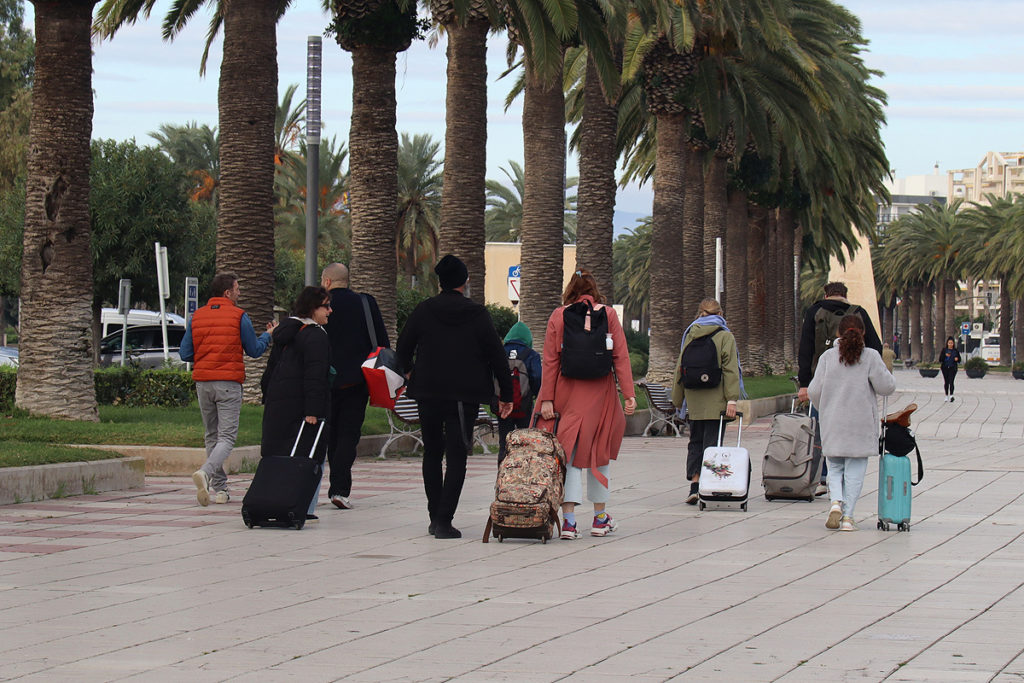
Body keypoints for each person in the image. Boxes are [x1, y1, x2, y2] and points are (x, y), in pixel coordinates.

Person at [396, 254, 514, 539]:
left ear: (440, 282)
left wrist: (410, 373)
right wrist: (506, 396)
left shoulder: (424, 310)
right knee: (457, 455)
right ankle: (444, 520)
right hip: (464, 397)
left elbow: (401, 347)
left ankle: (434, 515)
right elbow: (498, 357)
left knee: (432, 453)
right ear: (465, 281)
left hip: (428, 393)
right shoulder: (477, 314)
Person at [537, 269, 636, 540]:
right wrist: (629, 393)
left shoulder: (559, 315)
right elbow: (620, 356)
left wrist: (547, 398)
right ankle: (600, 518)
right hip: (601, 393)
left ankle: (569, 522)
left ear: (571, 289)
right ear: (595, 290)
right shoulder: (609, 314)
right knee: (598, 454)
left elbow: (550, 360)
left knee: (567, 456)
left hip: (566, 394)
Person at [180, 273, 276, 506]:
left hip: (203, 382)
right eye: (237, 288)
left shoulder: (197, 317)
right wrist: (268, 335)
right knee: (227, 437)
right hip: (228, 383)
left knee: (212, 435)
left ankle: (220, 489)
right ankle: (205, 472)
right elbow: (253, 350)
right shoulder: (238, 316)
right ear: (227, 293)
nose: (240, 292)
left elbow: (185, 353)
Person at [808, 314, 895, 531]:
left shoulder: (827, 357)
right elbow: (887, 387)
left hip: (833, 421)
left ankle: (835, 502)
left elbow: (813, 390)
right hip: (861, 423)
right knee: (855, 470)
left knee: (835, 467)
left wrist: (824, 407)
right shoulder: (871, 356)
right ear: (863, 332)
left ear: (838, 333)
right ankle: (848, 517)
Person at [797, 281, 883, 496]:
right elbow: (876, 347)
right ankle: (845, 482)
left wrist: (804, 383)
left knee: (821, 431)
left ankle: (821, 477)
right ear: (845, 294)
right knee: (852, 433)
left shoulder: (815, 312)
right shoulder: (859, 313)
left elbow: (805, 348)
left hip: (823, 380)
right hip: (857, 386)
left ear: (826, 294)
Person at [320, 262, 389, 511]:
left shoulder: (320, 305)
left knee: (329, 434)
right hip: (358, 380)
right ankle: (340, 488)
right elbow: (382, 341)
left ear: (327, 281)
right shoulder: (365, 303)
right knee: (348, 434)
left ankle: (330, 484)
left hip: (325, 381)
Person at [261, 286, 333, 519]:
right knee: (309, 454)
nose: (330, 311)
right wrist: (313, 410)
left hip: (279, 403)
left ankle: (275, 500)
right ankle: (303, 505)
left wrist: (268, 396)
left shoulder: (284, 332)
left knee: (280, 452)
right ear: (313, 309)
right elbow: (316, 375)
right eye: (326, 306)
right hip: (303, 407)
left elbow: (271, 369)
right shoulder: (315, 335)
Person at [671, 299, 742, 505]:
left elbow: (679, 367)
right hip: (716, 400)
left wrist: (678, 399)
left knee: (695, 442)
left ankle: (694, 484)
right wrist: (732, 400)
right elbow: (730, 370)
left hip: (693, 399)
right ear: (720, 313)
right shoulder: (725, 335)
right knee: (713, 445)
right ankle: (708, 486)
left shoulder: (690, 333)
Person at [494, 321, 542, 464]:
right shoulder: (531, 354)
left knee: (504, 442)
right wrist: (536, 395)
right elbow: (538, 377)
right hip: (524, 405)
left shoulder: (499, 352)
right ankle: (522, 477)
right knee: (525, 442)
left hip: (502, 405)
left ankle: (502, 478)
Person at [938, 336, 962, 402]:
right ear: (947, 343)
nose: (950, 344)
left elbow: (959, 359)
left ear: (953, 344)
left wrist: (957, 359)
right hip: (945, 368)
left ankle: (951, 395)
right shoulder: (944, 350)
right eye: (949, 343)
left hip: (953, 368)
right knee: (946, 382)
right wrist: (945, 356)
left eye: (952, 343)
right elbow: (940, 359)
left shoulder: (955, 351)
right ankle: (946, 395)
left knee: (951, 381)